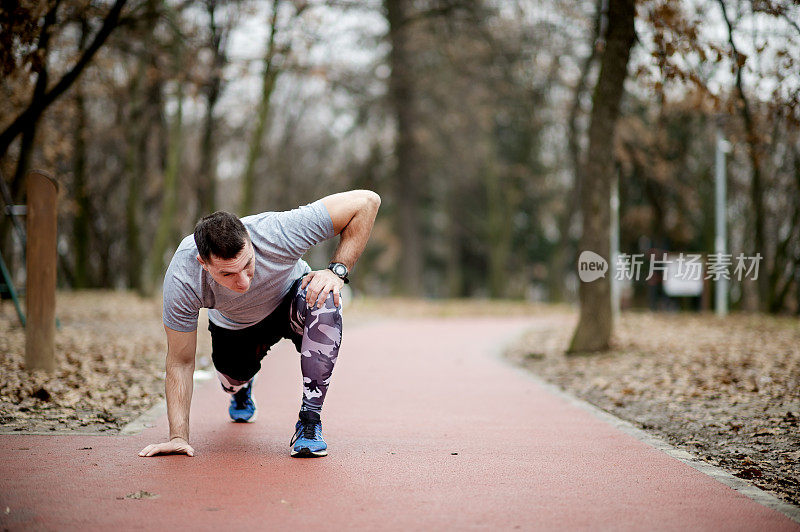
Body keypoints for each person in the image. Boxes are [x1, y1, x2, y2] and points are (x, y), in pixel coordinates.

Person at [138, 190, 380, 458]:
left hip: (290, 302)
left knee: (326, 299)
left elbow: (367, 202)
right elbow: (180, 362)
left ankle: (309, 423)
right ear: (203, 264)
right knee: (232, 380)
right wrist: (177, 437)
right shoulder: (183, 277)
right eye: (227, 274)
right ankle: (241, 388)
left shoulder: (278, 232)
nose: (242, 282)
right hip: (235, 327)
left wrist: (337, 270)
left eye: (248, 265)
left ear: (251, 243)